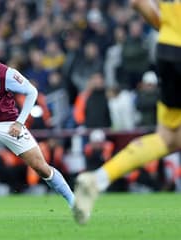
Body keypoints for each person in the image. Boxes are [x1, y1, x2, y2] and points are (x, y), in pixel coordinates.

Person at [73, 0, 181, 225]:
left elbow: (138, 3)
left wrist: (171, 28)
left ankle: (98, 179)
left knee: (168, 138)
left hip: (167, 49)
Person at [0, 32, 74, 211]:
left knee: (41, 167)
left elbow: (32, 92)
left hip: (9, 123)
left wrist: (20, 122)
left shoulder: (4, 73)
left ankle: (73, 201)